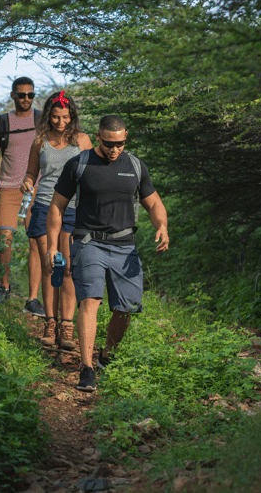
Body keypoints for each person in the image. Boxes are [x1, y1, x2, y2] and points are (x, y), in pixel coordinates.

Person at [46, 115, 169, 392]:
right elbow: (57, 206)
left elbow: (153, 203)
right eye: (109, 143)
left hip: (125, 245)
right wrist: (53, 246)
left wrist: (162, 226)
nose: (114, 149)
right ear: (98, 137)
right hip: (89, 242)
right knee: (91, 300)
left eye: (120, 144)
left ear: (127, 138)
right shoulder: (79, 164)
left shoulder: (136, 166)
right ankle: (86, 367)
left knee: (126, 308)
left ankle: (106, 355)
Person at [19, 91, 93, 350]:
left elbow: (92, 174)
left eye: (65, 117)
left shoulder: (82, 141)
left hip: (73, 209)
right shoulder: (40, 140)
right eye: (55, 117)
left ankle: (67, 326)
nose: (60, 122)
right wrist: (27, 182)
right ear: (48, 116)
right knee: (51, 268)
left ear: (72, 115)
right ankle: (49, 324)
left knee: (69, 269)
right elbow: (31, 172)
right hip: (43, 206)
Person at [0, 77, 44, 317]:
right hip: (8, 188)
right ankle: (4, 286)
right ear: (12, 95)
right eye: (21, 95)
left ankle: (33, 298)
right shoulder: (1, 123)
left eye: (29, 95)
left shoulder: (42, 120)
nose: (25, 99)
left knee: (36, 242)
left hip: (37, 189)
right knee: (3, 238)